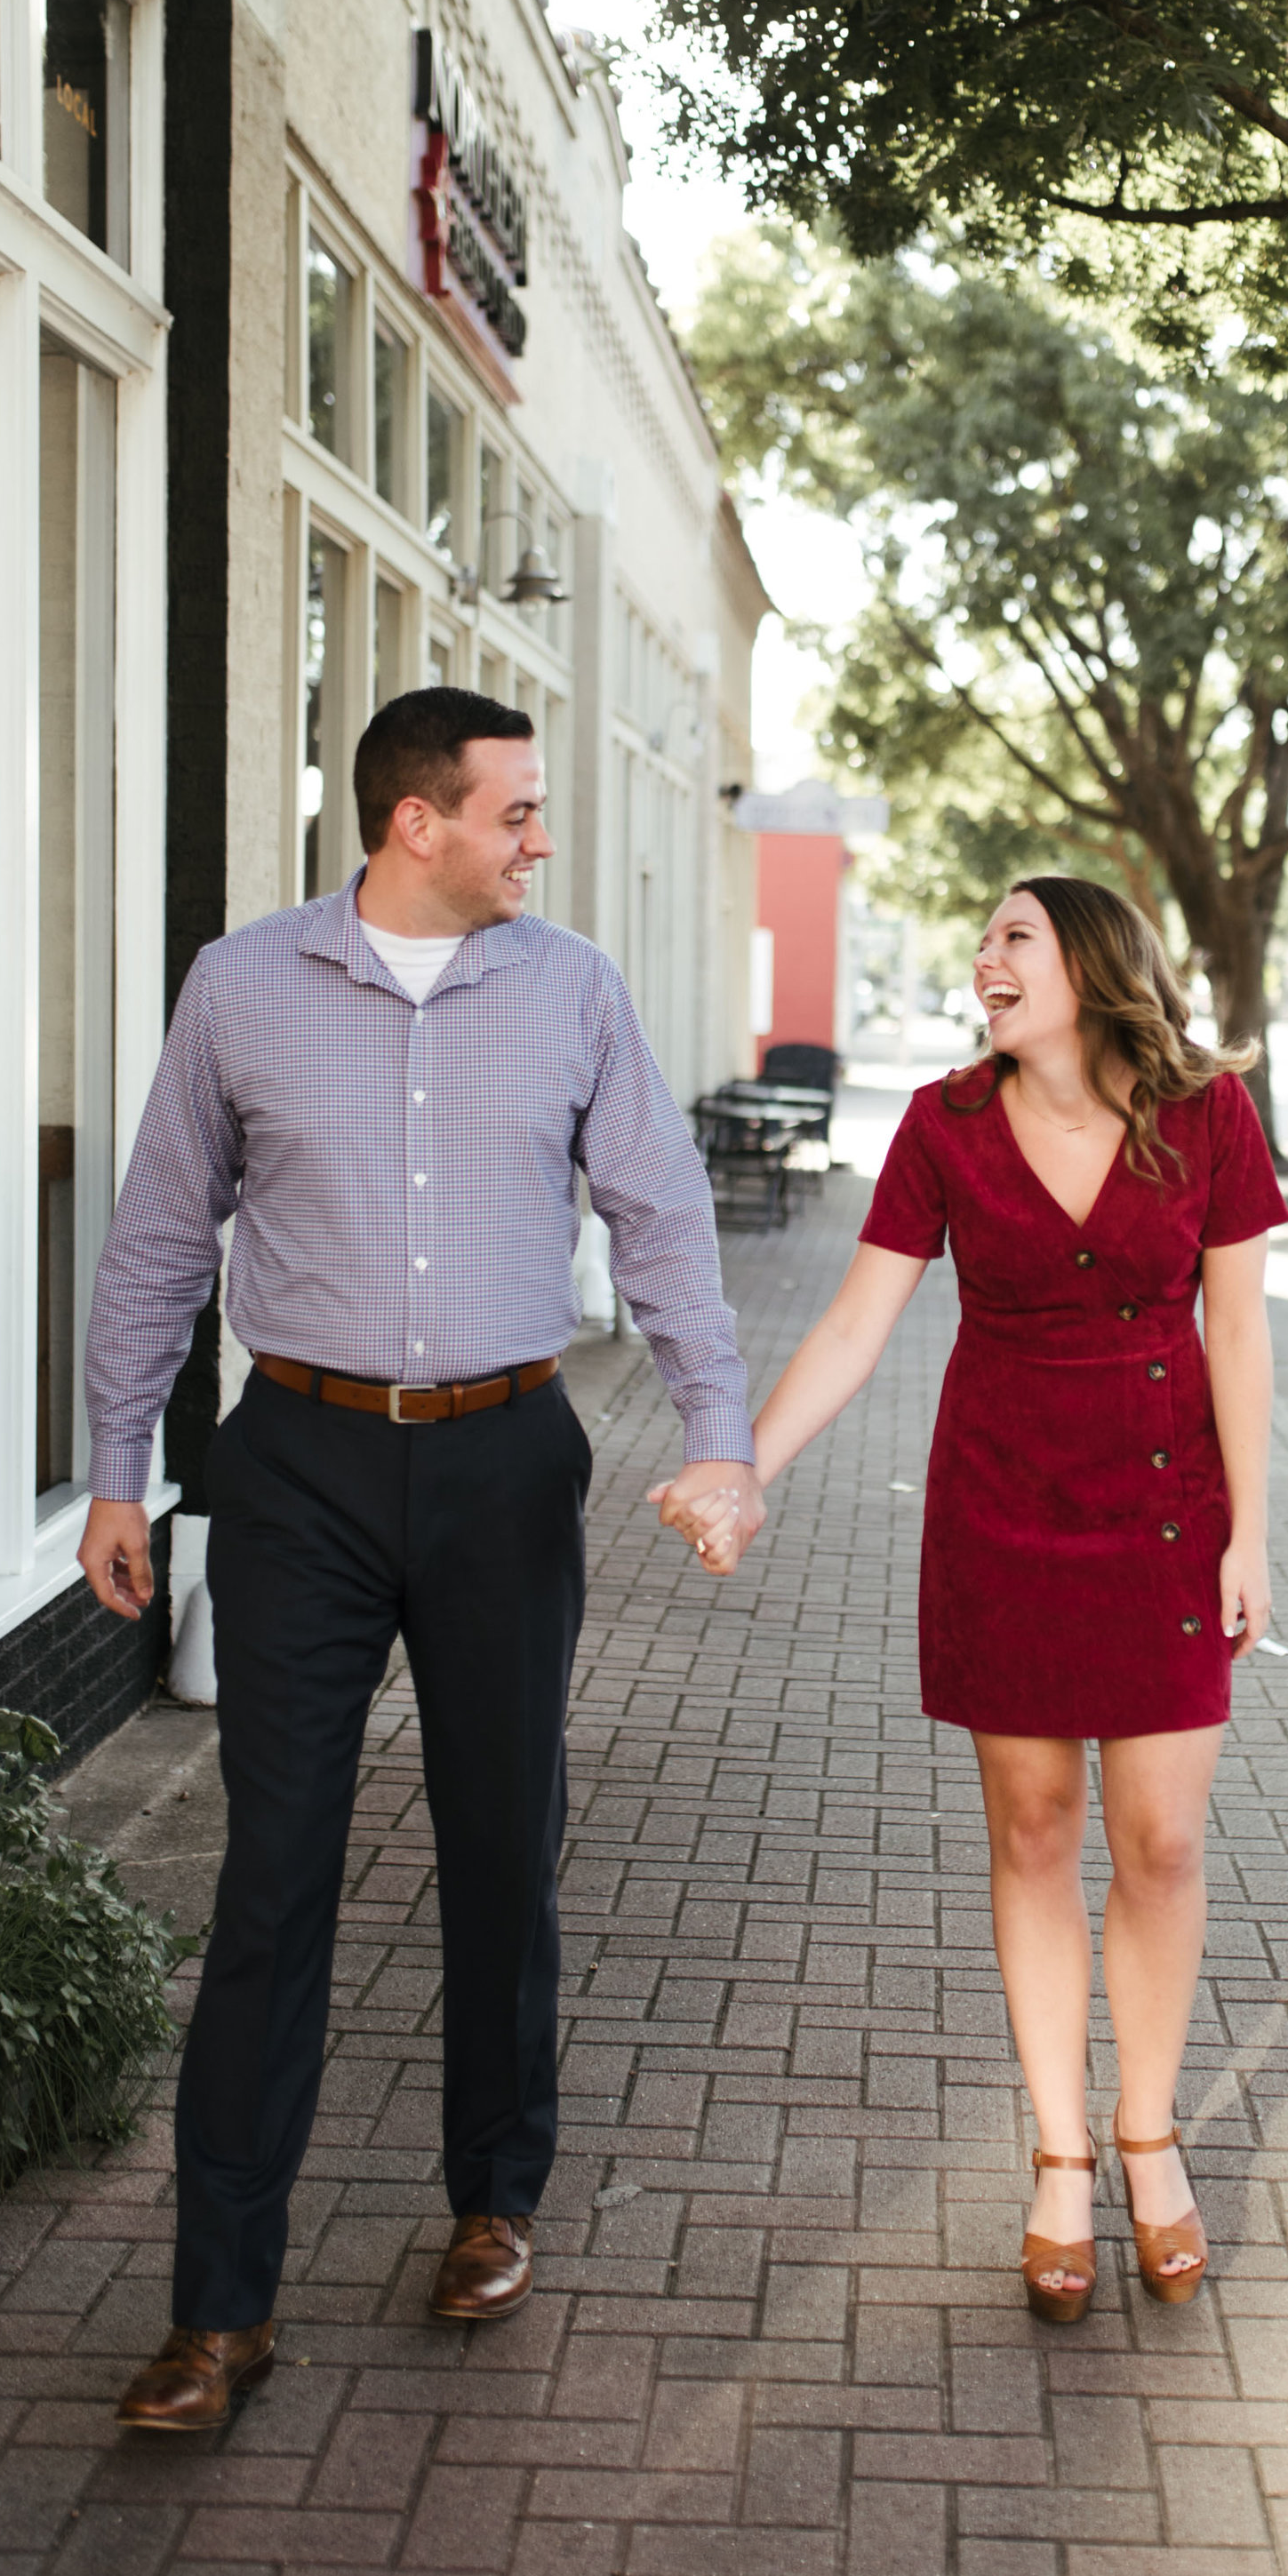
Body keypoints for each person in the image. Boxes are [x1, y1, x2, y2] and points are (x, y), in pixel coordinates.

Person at [79, 688, 764, 2429]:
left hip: (503, 1460)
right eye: (516, 811)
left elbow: (661, 1216)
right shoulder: (242, 987)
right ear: (414, 824)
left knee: (496, 1845)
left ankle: (491, 2198)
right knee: (271, 1881)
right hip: (293, 1461)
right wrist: (110, 1472)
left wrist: (715, 1434)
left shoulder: (572, 991)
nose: (541, 840)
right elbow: (162, 1233)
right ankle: (219, 2312)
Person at [657, 876, 1286, 2317]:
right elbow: (857, 1318)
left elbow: (1238, 1329)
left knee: (1164, 1837)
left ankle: (1151, 2128)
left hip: (1166, 1506)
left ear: (1090, 960)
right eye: (986, 939)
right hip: (1004, 1502)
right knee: (1036, 1826)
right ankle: (1068, 2152)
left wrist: (1254, 1528)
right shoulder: (941, 1125)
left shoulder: (1205, 1116)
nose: (985, 960)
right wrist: (741, 1467)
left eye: (1016, 936)